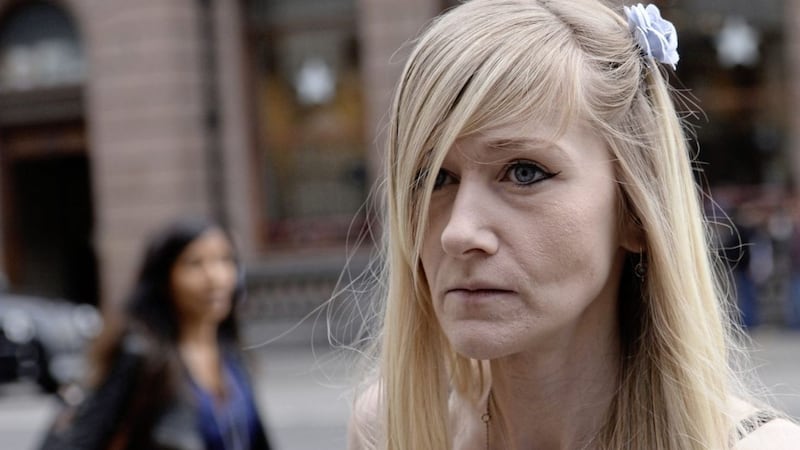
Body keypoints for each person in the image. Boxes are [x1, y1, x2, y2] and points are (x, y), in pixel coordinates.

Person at [347, 1, 800, 449]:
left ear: (636, 211)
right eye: (433, 178)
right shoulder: (391, 432)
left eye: (524, 172)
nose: (458, 232)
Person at [40, 217, 271, 450]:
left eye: (225, 260)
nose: (215, 278)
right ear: (164, 277)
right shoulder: (142, 354)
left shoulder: (230, 353)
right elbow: (82, 438)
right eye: (195, 264)